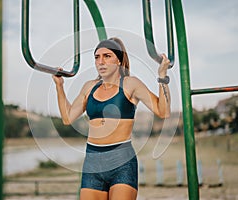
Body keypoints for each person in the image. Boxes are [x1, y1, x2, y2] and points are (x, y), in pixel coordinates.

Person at [52, 37, 171, 200]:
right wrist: (60, 86)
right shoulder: (89, 87)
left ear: (119, 61)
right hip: (93, 162)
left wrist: (162, 76)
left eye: (107, 56)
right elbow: (67, 117)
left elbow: (162, 111)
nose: (101, 62)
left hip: (121, 161)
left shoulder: (130, 84)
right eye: (97, 57)